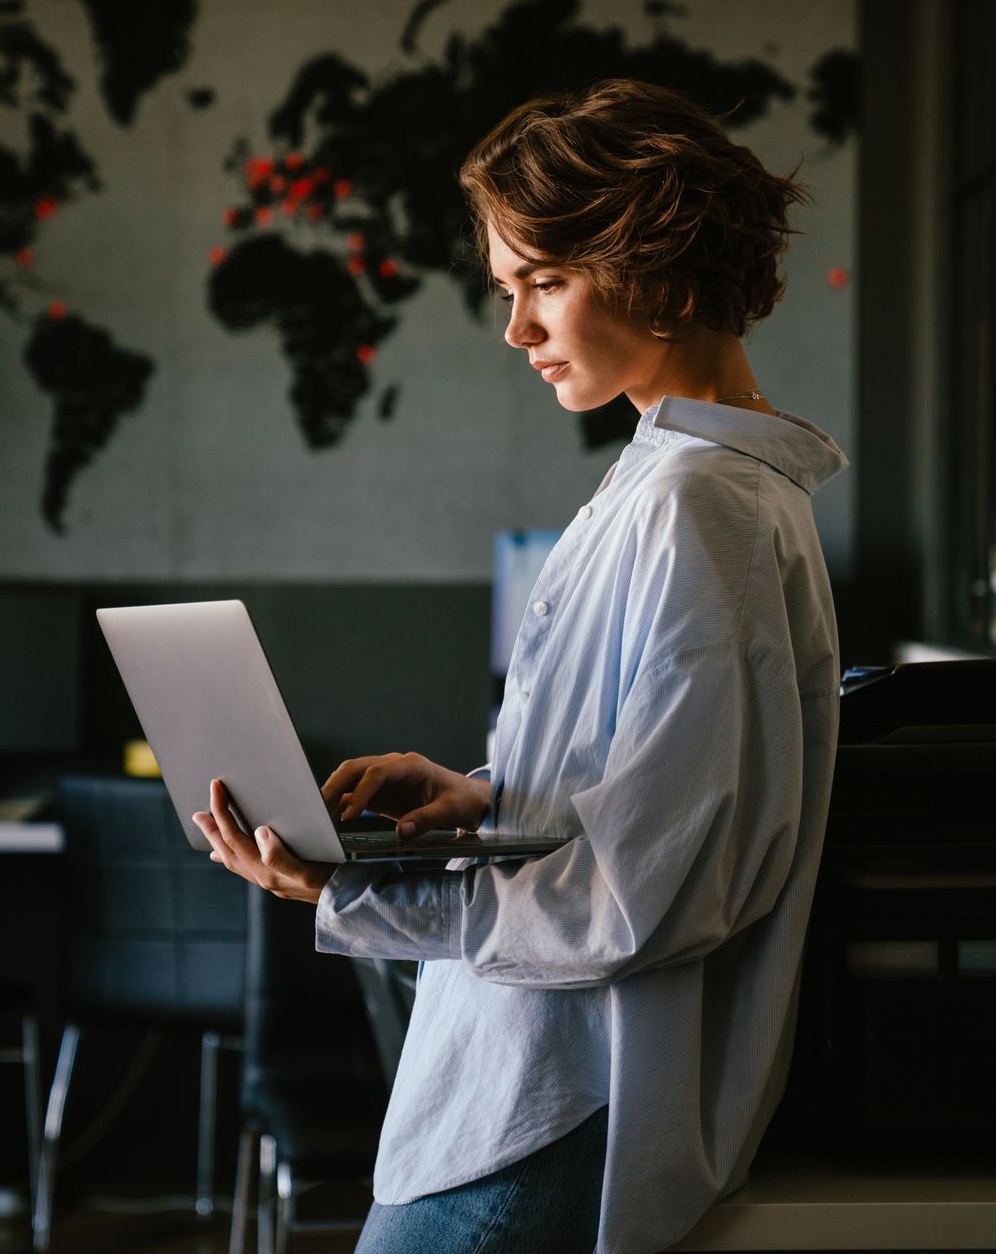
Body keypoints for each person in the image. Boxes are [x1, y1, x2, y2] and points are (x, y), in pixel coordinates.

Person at [192, 77, 847, 1254]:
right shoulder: (669, 481)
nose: (519, 330)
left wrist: (354, 890)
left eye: (546, 281)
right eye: (510, 290)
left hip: (554, 1104)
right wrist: (483, 796)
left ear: (663, 258)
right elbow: (652, 784)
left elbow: (653, 889)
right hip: (523, 1086)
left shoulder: (709, 508)